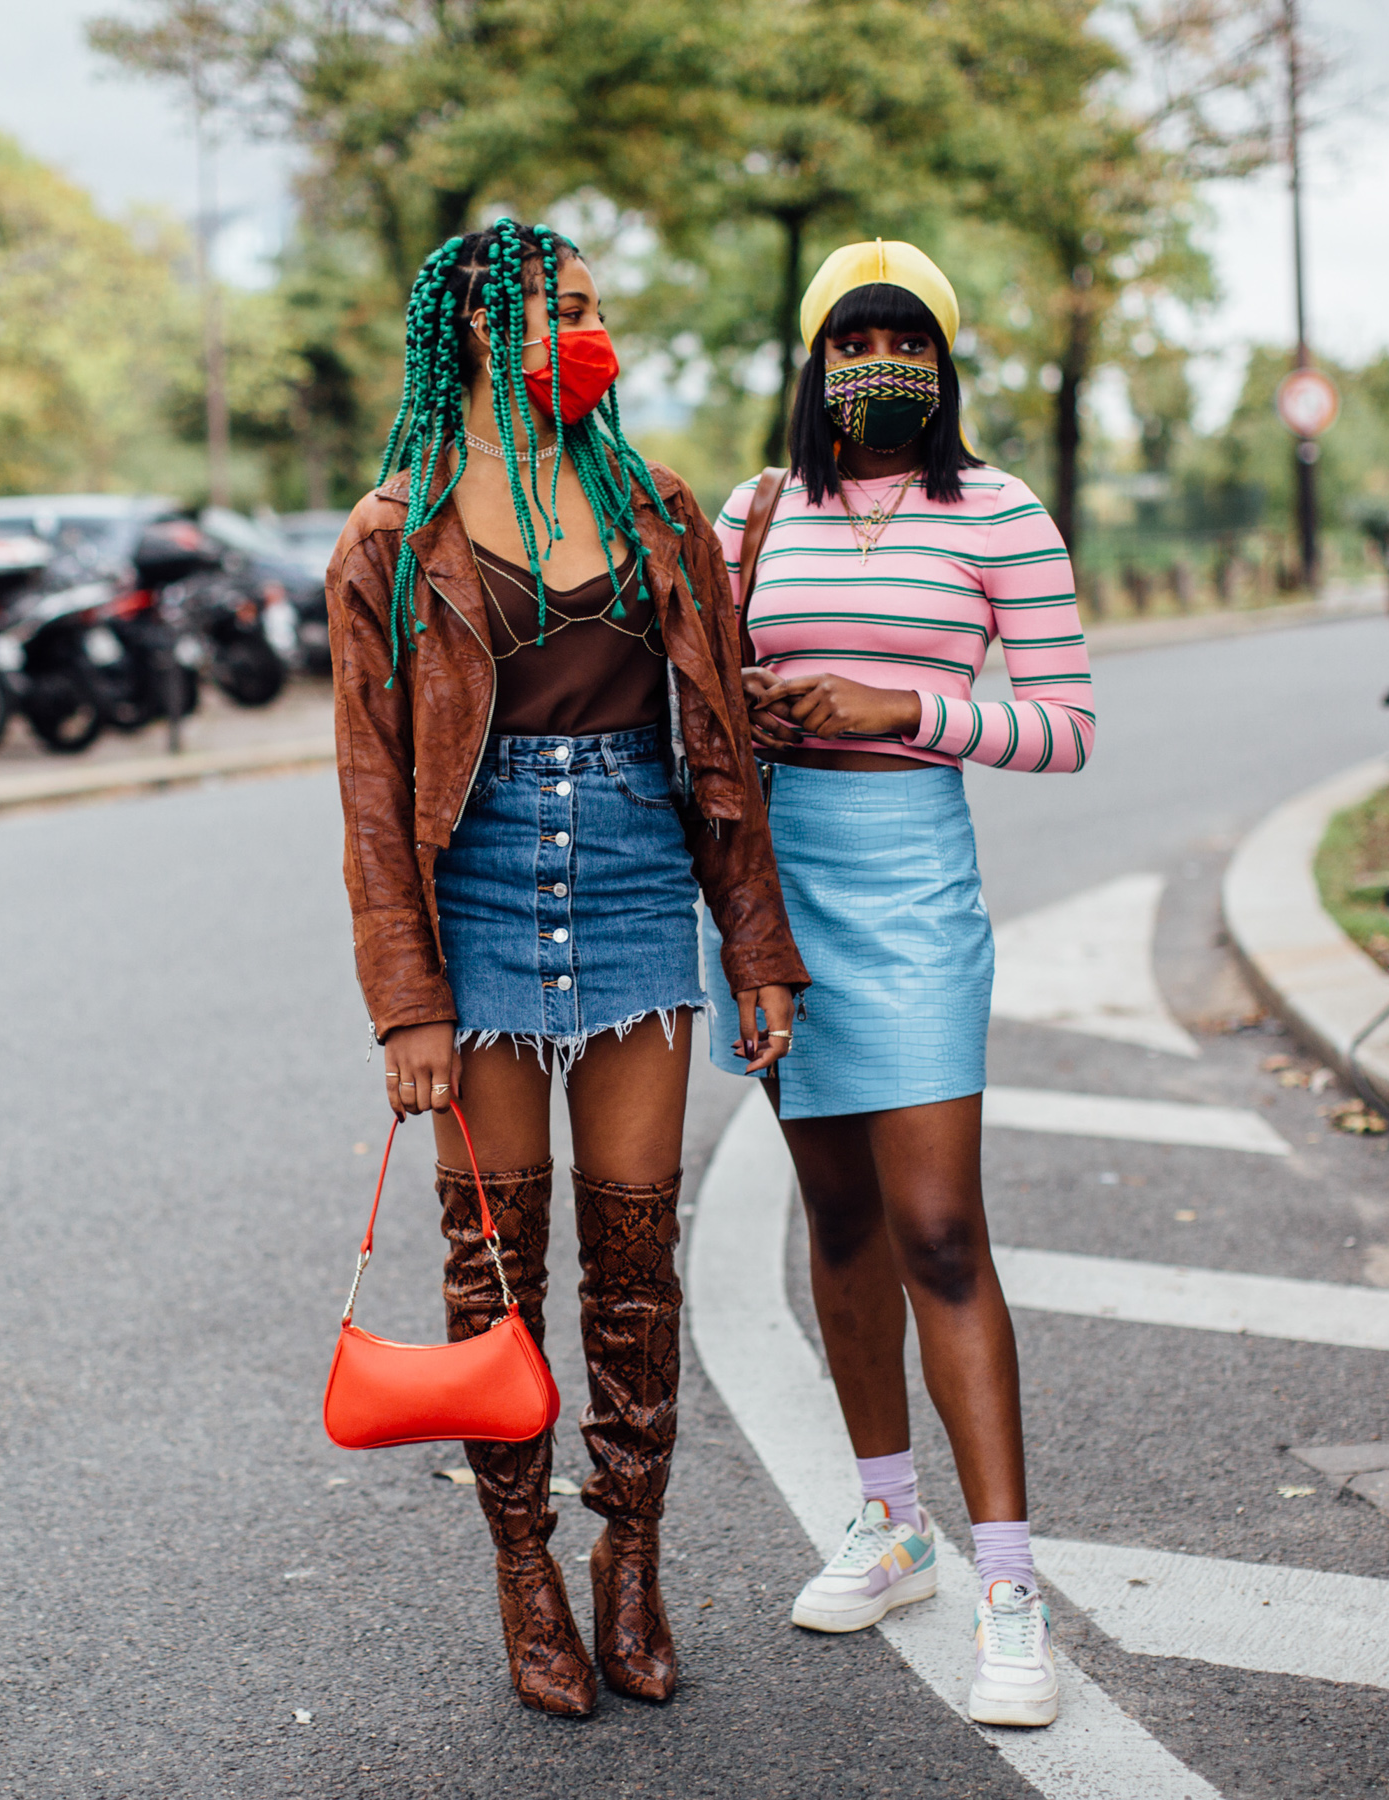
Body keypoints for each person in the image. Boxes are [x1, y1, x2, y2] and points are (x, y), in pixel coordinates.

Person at [324, 218, 808, 1718]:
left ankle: (634, 1561)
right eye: (560, 312)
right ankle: (525, 1567)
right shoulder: (391, 535)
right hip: (471, 888)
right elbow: (370, 786)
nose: (588, 333)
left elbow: (721, 746)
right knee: (493, 1261)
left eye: (599, 309)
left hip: (636, 875)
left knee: (635, 1257)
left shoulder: (656, 506)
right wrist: (408, 1001)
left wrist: (755, 946)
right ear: (477, 332)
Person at [701, 239, 1095, 1729]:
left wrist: (904, 707)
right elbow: (699, 690)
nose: (882, 366)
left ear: (944, 362)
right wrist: (744, 701)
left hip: (914, 878)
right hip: (773, 886)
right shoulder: (750, 515)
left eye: (907, 340)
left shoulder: (1001, 513)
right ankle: (891, 1522)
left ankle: (1012, 1589)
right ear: (814, 364)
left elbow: (1065, 726)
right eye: (854, 340)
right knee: (841, 1215)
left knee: (940, 1224)